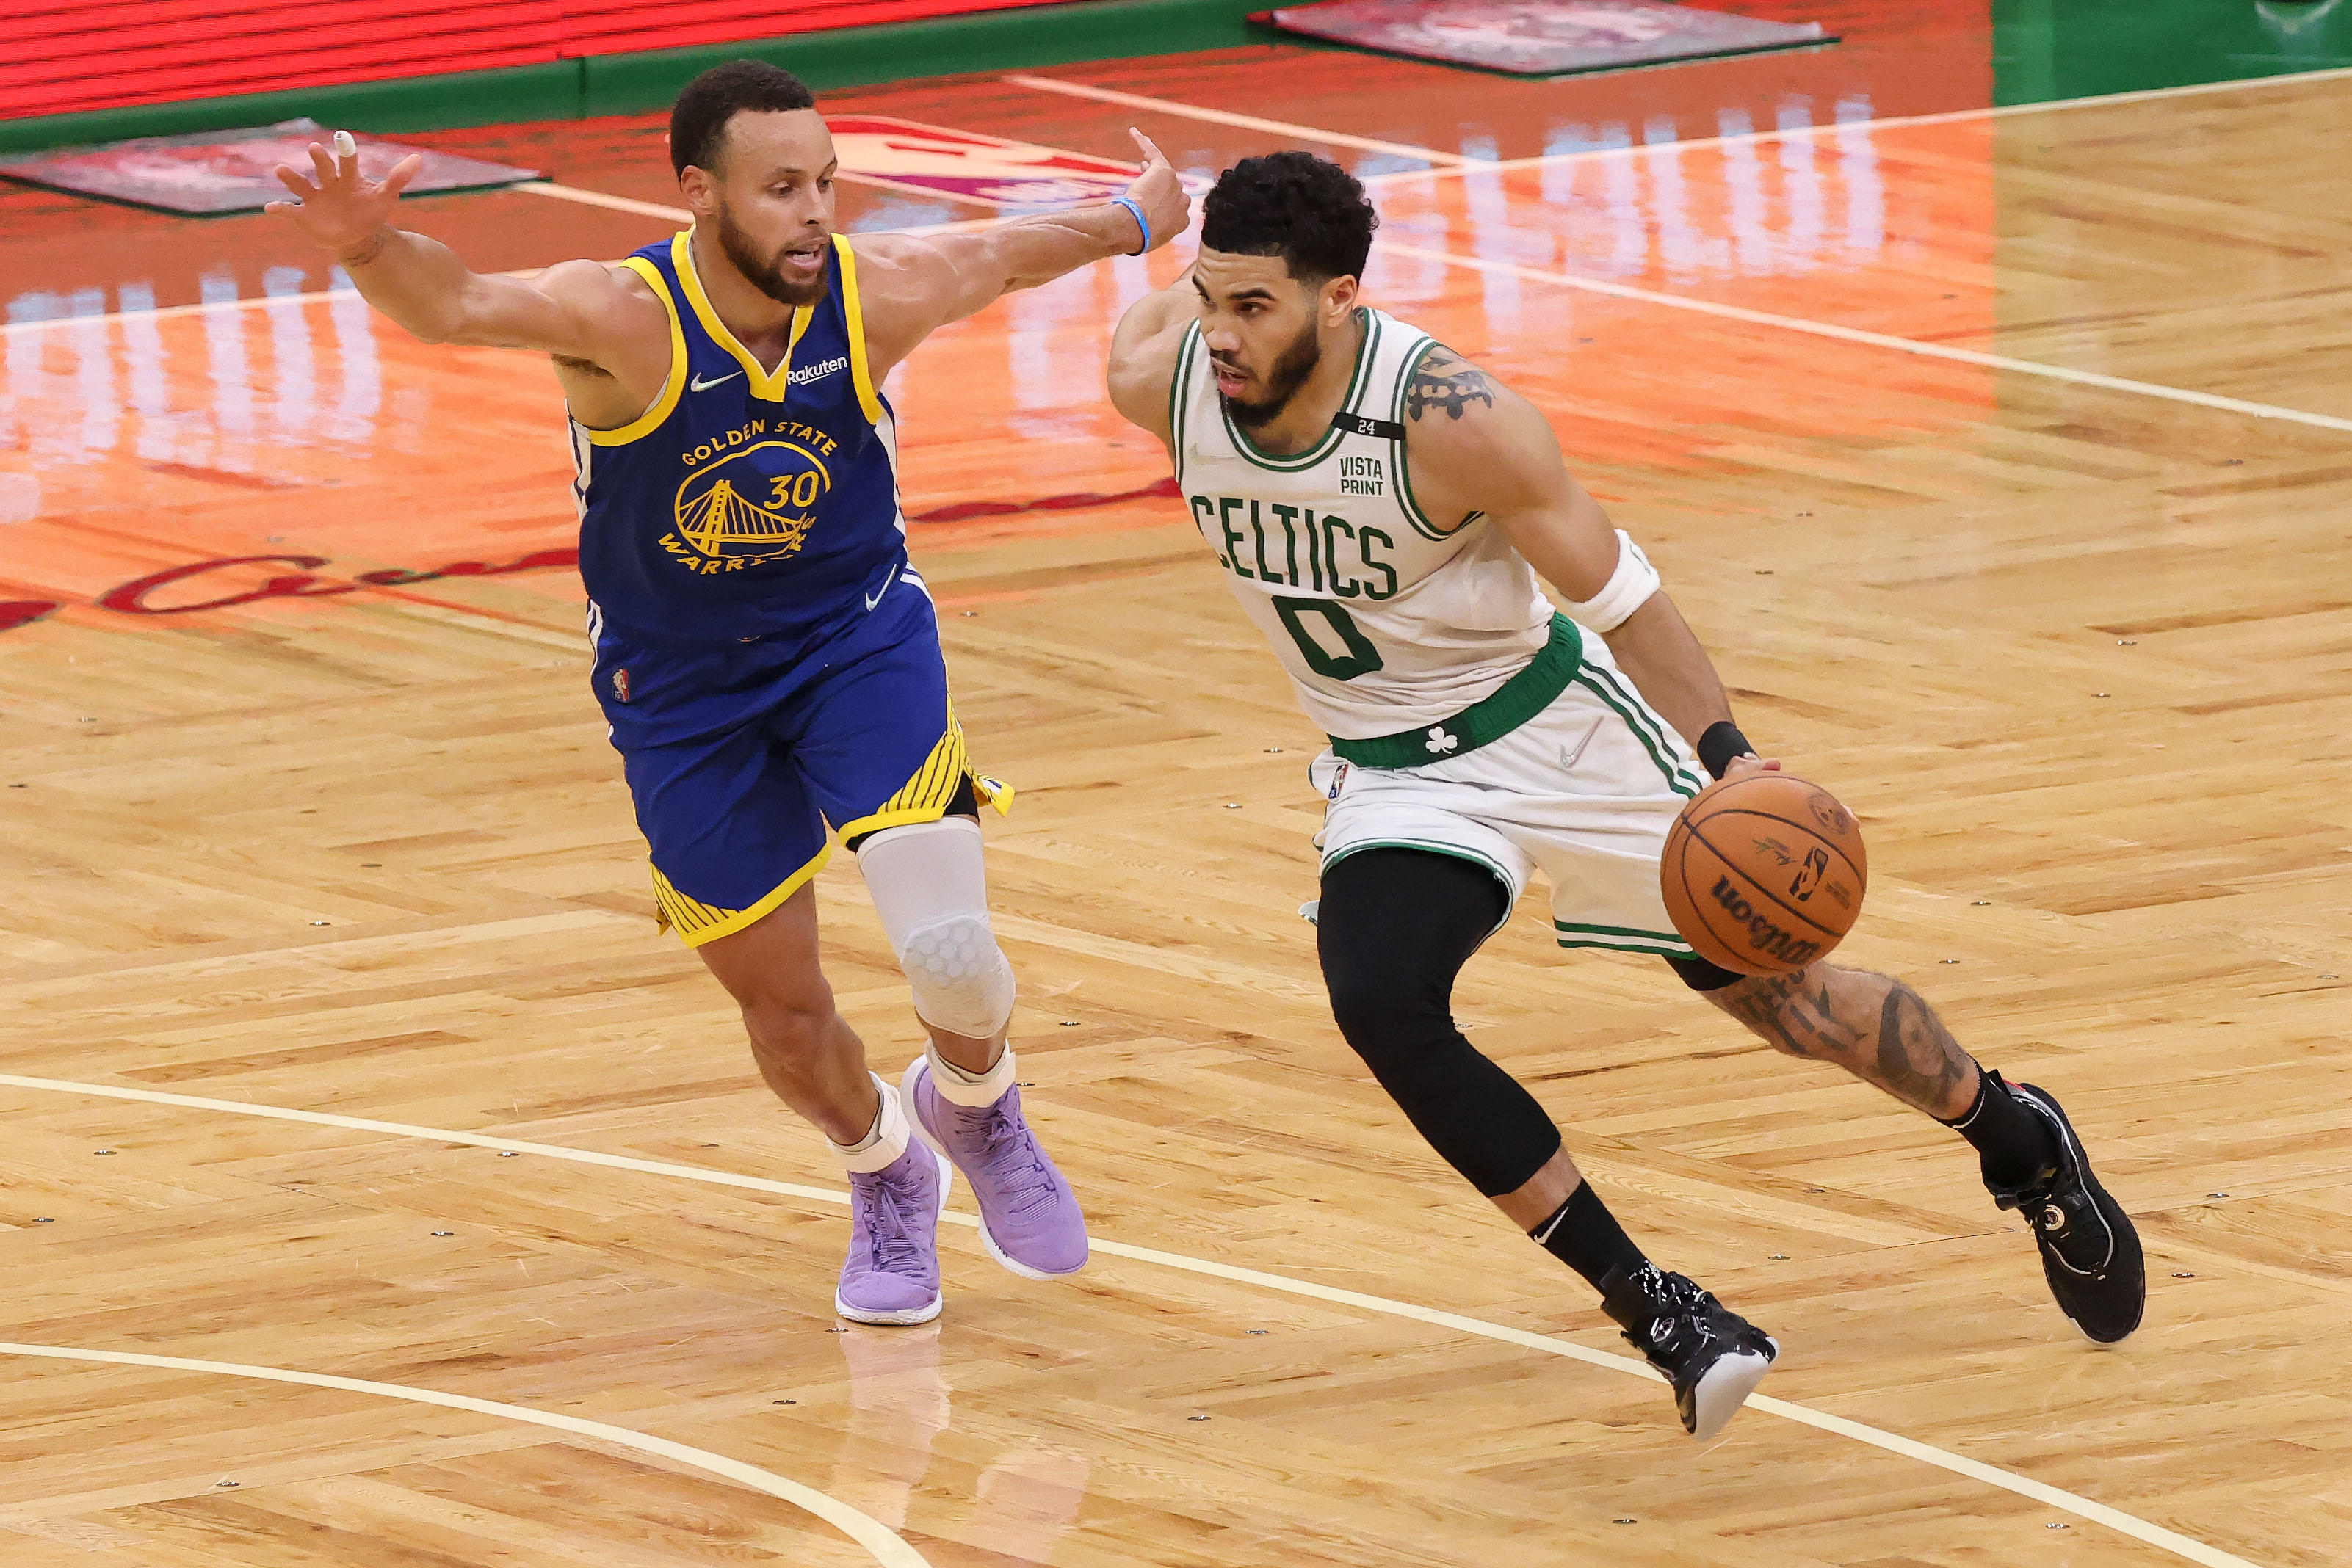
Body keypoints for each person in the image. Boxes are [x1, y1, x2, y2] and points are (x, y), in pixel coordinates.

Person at [1104, 151, 2142, 1440]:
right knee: (1379, 1001)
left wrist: (1729, 755)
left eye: (1255, 307)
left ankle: (2018, 1140)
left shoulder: (1454, 420)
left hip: (1553, 730)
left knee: (1791, 1005)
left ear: (1343, 300)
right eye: (1210, 299)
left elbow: (1624, 596)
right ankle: (1656, 1307)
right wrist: (1135, 226)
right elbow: (1137, 301)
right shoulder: (1165, 379)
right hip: (1395, 772)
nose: (1221, 333)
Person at [268, 62, 1190, 1326]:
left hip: (854, 641)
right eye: (780, 189)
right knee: (789, 1024)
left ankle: (980, 1108)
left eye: (826, 184)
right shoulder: (622, 316)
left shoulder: (874, 293)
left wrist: (1137, 216)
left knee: (952, 953)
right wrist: (367, 244)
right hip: (681, 694)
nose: (814, 213)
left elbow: (1006, 252)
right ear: (699, 192)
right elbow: (464, 303)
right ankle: (885, 1168)